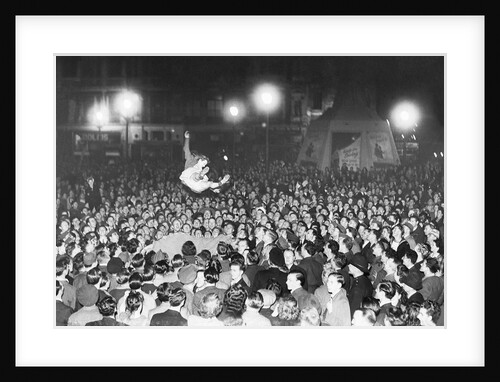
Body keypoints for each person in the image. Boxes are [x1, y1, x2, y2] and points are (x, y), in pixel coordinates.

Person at [346, 253, 373, 318]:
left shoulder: (357, 288)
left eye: (351, 265)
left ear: (357, 268)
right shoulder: (365, 280)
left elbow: (354, 310)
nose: (348, 266)